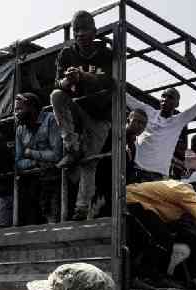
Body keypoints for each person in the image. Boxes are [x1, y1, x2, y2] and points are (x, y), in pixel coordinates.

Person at [51, 10, 115, 221]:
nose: (81, 34)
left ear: (94, 32)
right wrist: (68, 81)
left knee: (89, 161)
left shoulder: (105, 53)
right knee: (56, 95)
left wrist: (83, 76)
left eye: (85, 30)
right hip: (78, 109)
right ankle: (72, 146)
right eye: (77, 30)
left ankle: (82, 209)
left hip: (100, 115)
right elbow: (57, 83)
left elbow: (110, 82)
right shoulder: (67, 54)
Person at [125, 53, 196, 182]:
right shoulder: (149, 112)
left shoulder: (178, 121)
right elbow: (125, 97)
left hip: (158, 177)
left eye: (170, 97)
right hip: (136, 171)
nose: (165, 99)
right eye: (163, 96)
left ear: (177, 103)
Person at [14, 92, 63, 225]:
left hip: (54, 177)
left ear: (32, 107)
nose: (16, 113)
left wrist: (31, 153)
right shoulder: (20, 130)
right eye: (15, 110)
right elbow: (18, 162)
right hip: (34, 181)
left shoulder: (51, 119)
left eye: (19, 109)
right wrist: (36, 161)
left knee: (54, 217)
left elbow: (57, 155)